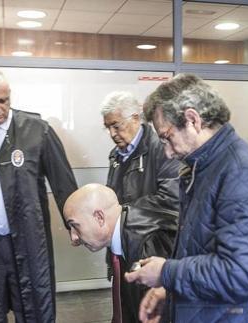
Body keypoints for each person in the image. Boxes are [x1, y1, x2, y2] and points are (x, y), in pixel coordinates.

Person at [125, 74, 248, 322]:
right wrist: (170, 291)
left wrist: (166, 273)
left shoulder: (244, 173)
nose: (167, 152)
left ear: (192, 120)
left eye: (167, 137)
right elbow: (201, 250)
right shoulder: (206, 167)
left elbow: (241, 274)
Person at [0, 70, 78, 322]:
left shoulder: (37, 131)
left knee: (35, 307)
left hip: (29, 241)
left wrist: (75, 223)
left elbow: (63, 182)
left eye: (4, 100)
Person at [100, 91, 181, 322]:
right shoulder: (116, 155)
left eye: (116, 126)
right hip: (124, 250)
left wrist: (122, 216)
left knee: (149, 314)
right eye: (107, 127)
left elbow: (170, 200)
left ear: (136, 118)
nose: (112, 134)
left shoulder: (160, 149)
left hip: (153, 253)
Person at [63, 183, 177, 323]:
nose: (74, 237)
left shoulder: (146, 243)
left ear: (99, 217)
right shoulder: (126, 229)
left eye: (74, 225)